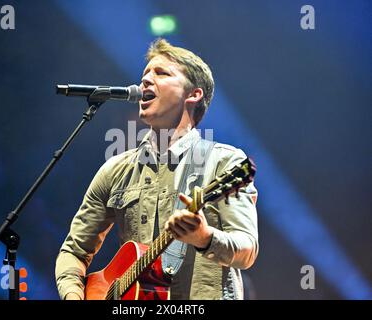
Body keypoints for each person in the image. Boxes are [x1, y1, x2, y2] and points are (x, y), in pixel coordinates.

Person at [55, 38, 259, 300]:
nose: (146, 81)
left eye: (161, 73)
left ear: (193, 94)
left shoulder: (224, 162)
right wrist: (73, 295)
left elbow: (247, 250)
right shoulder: (115, 169)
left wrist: (205, 237)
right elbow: (74, 252)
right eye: (145, 75)